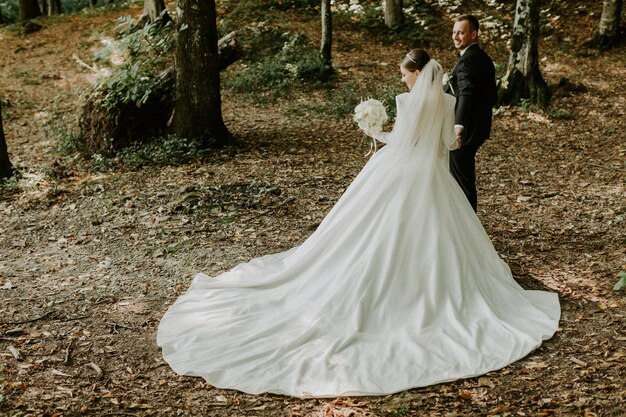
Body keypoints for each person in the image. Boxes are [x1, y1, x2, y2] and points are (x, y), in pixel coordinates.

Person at [157, 50, 559, 398]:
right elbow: (449, 146)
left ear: (417, 74)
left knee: (370, 231)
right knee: (435, 235)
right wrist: (429, 134)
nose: (402, 77)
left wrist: (373, 130)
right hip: (434, 180)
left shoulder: (406, 100)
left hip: (399, 173)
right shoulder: (449, 100)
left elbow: (402, 142)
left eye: (405, 71)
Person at [447, 14, 498, 212]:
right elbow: (492, 95)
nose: (455, 36)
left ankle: (468, 231)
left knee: (462, 181)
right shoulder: (483, 58)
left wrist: (458, 125)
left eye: (461, 32)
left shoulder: (468, 61)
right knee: (463, 177)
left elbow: (467, 92)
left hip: (465, 131)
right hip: (478, 128)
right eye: (454, 32)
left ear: (474, 34)